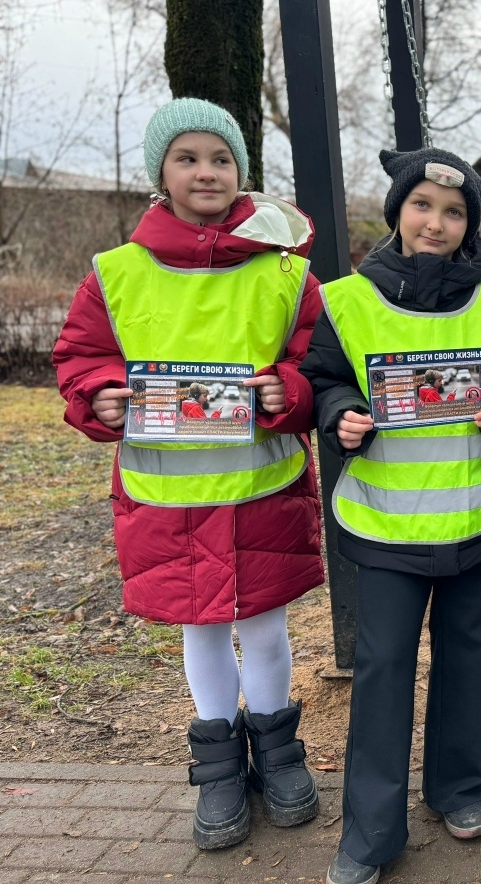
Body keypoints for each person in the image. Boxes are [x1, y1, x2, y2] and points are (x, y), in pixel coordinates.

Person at [53, 98, 325, 850]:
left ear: (242, 172)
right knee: (201, 631)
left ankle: (279, 758)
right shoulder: (116, 273)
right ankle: (218, 772)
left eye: (221, 158)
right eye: (188, 157)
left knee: (265, 629)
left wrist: (290, 392)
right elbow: (80, 359)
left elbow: (318, 364)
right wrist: (100, 398)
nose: (206, 171)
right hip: (165, 496)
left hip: (259, 488)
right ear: (160, 175)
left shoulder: (284, 273)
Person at [301, 148, 481, 884]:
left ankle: (461, 791)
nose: (437, 222)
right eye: (422, 205)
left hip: (476, 525)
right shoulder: (346, 301)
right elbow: (324, 380)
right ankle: (369, 833)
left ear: (471, 225)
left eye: (454, 212)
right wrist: (340, 416)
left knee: (471, 660)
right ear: (397, 211)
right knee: (383, 670)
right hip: (386, 530)